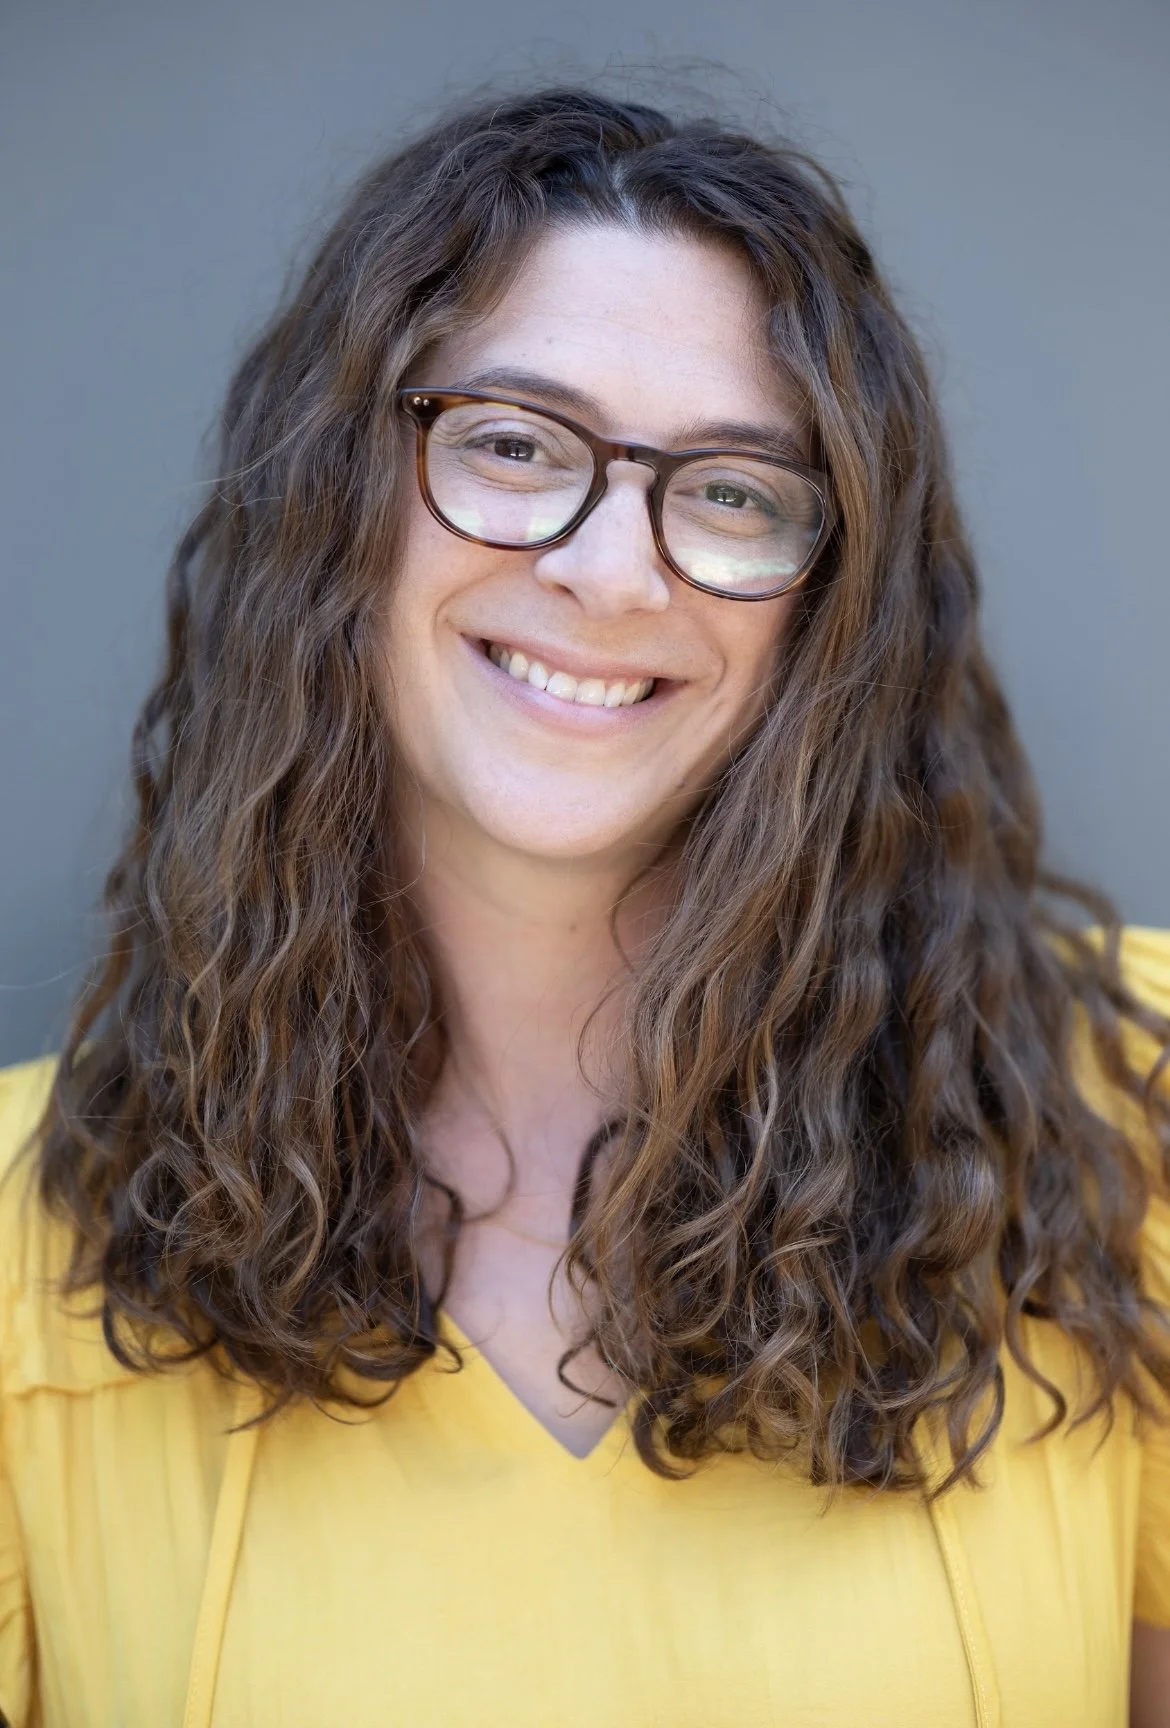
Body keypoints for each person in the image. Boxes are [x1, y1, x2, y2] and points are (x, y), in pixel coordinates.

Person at [0, 84, 1167, 1728]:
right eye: (510, 444)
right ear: (342, 497)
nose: (611, 573)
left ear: (829, 615)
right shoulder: (18, 1250)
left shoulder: (1131, 1137)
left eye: (733, 494)